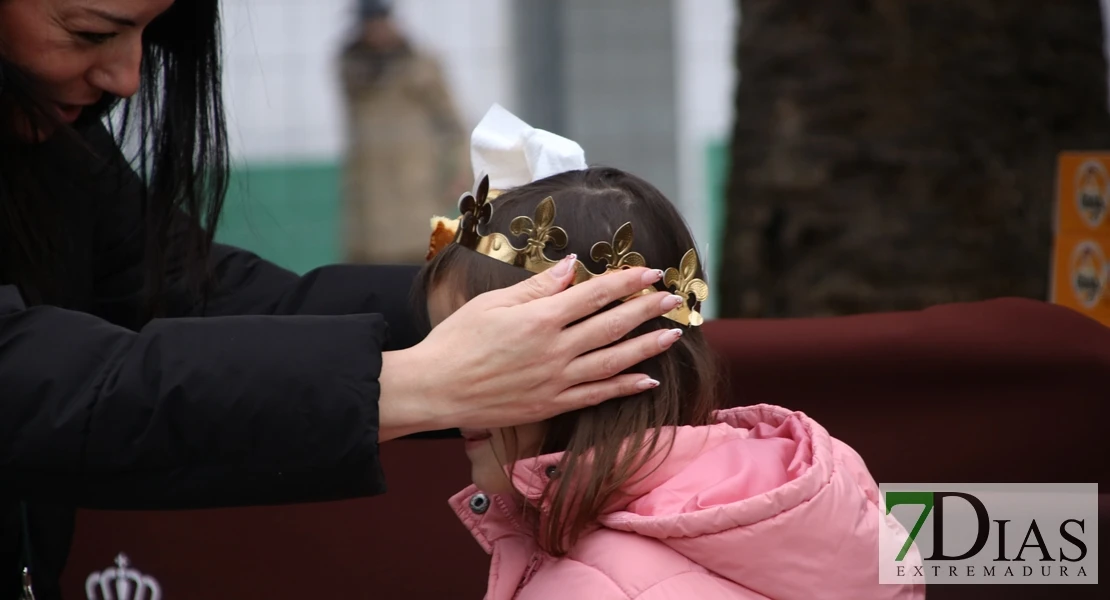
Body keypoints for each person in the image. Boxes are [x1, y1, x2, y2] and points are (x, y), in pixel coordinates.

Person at [0, 1, 680, 598]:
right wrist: (410, 381)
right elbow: (41, 383)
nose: (127, 77)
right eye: (90, 32)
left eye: (153, 36)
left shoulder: (58, 158)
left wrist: (507, 299)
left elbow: (204, 299)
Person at [416, 110, 926, 599]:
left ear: (594, 351)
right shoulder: (807, 497)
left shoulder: (589, 586)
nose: (445, 378)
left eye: (480, 349)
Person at [338, 0, 471, 265]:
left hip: (415, 186)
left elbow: (453, 124)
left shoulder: (420, 64)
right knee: (370, 265)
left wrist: (460, 170)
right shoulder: (352, 67)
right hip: (369, 192)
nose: (374, 31)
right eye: (368, 24)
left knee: (422, 259)